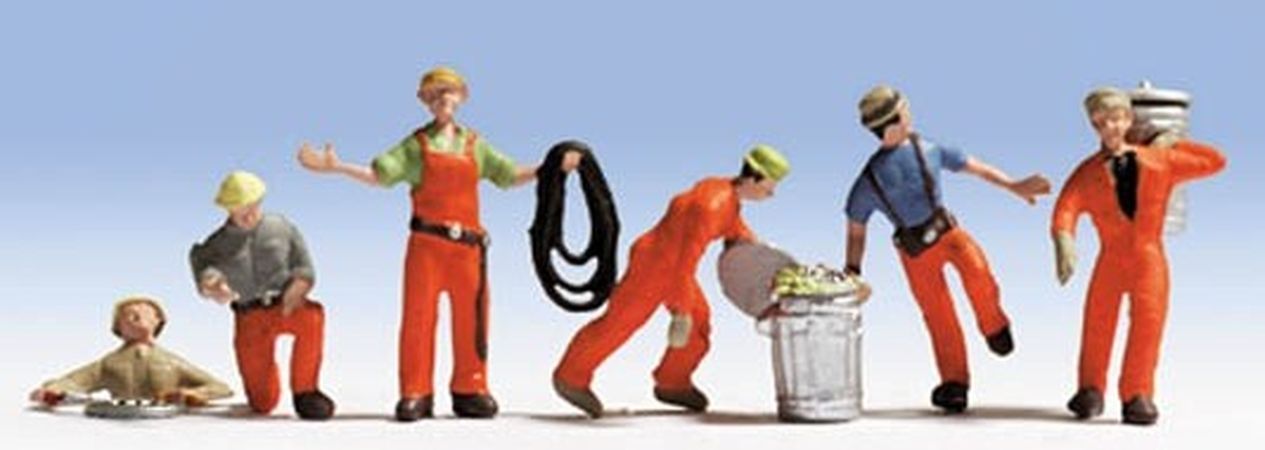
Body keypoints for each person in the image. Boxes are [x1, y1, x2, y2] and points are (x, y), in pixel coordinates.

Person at [297, 66, 580, 421]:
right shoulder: (416, 146)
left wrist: (552, 166)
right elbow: (380, 175)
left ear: (461, 97)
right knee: (418, 318)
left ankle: (471, 387)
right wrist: (338, 167)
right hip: (427, 246)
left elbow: (509, 174)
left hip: (468, 249)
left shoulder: (476, 146)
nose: (442, 98)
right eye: (434, 94)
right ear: (425, 102)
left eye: (448, 91)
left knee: (473, 320)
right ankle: (416, 391)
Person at [843, 85, 1050, 413]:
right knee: (938, 314)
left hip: (949, 234)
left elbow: (975, 167)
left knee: (978, 271)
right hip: (914, 253)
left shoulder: (928, 149)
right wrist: (852, 270)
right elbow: (856, 229)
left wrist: (1014, 185)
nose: (911, 115)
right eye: (906, 110)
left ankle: (994, 324)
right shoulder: (869, 180)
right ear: (894, 120)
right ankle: (954, 382)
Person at [552, 145, 789, 418]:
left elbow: (731, 223)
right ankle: (570, 377)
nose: (771, 195)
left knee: (699, 322)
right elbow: (685, 263)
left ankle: (672, 382)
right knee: (620, 323)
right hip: (653, 265)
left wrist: (753, 246)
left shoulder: (723, 190)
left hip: (673, 264)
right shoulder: (711, 206)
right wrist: (681, 311)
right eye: (769, 188)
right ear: (754, 177)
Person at [1053, 87, 1226, 425]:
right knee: (1097, 322)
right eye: (1102, 122)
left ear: (1129, 120)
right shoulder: (1088, 172)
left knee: (1147, 324)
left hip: (1149, 257)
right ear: (1094, 126)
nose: (1111, 127)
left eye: (1116, 119)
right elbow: (1066, 207)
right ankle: (1090, 389)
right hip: (1110, 258)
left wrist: (1173, 142)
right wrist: (1064, 240)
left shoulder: (1160, 161)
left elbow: (1216, 160)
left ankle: (1137, 393)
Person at [189, 171, 335, 420]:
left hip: (285, 304)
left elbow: (303, 264)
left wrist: (300, 284)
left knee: (312, 317)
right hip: (250, 315)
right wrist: (212, 284)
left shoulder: (281, 227)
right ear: (228, 209)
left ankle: (306, 391)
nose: (248, 215)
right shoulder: (217, 244)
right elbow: (203, 264)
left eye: (252, 207)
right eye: (239, 210)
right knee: (263, 402)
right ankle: (262, 395)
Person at [30, 295, 232, 407]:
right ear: (118, 326)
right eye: (128, 315)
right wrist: (52, 390)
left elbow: (221, 388)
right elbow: (75, 381)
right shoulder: (108, 364)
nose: (137, 316)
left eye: (145, 312)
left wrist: (190, 394)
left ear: (158, 320)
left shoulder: (173, 363)